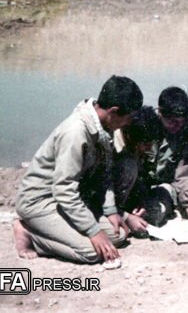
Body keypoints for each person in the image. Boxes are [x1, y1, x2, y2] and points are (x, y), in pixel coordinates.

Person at [13, 75, 143, 264]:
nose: (128, 123)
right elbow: (64, 188)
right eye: (128, 118)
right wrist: (93, 231)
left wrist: (110, 210)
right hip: (40, 202)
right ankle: (29, 234)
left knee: (119, 235)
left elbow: (104, 173)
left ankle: (47, 231)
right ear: (114, 112)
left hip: (64, 200)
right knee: (93, 252)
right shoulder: (75, 133)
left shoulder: (104, 125)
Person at [147, 86, 188, 225]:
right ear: (160, 112)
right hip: (138, 187)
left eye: (181, 122)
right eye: (172, 122)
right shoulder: (144, 125)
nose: (178, 127)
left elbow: (185, 172)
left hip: (164, 187)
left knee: (156, 217)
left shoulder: (185, 132)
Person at [111, 105, 164, 234]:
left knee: (158, 213)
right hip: (107, 207)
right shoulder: (112, 145)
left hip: (126, 201)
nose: (149, 149)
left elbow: (140, 177)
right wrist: (125, 216)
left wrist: (141, 200)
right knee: (129, 167)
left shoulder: (137, 143)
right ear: (129, 136)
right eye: (146, 144)